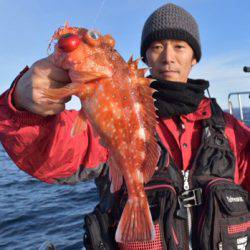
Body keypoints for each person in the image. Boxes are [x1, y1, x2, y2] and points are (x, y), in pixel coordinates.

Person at [0, 3, 249, 250]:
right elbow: (53, 154)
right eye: (157, 47)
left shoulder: (230, 129)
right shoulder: (111, 118)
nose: (168, 57)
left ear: (194, 57)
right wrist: (22, 107)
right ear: (145, 57)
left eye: (180, 47)